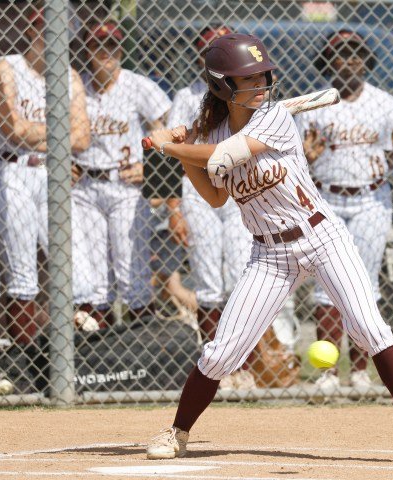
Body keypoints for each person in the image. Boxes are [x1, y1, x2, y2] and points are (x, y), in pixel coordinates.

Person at [143, 33, 393, 465]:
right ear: (222, 86)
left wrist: (171, 144)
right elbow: (215, 195)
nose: (260, 84)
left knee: (369, 328)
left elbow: (224, 157)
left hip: (321, 236)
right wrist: (185, 152)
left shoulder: (275, 118)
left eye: (263, 75)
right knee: (222, 351)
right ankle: (177, 432)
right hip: (269, 254)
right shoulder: (214, 131)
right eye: (248, 79)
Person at [296, 30, 393, 389]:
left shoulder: (384, 103)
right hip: (324, 199)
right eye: (341, 53)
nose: (350, 60)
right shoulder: (314, 102)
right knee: (325, 284)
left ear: (367, 60)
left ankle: (361, 370)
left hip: (371, 199)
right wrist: (308, 158)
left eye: (357, 53)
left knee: (365, 282)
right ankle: (328, 373)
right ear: (327, 61)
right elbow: (295, 160)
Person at [165, 25, 256, 390]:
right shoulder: (185, 96)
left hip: (237, 187)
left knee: (239, 274)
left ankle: (242, 364)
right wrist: (174, 207)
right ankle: (215, 367)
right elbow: (171, 153)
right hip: (197, 188)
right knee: (207, 281)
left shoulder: (244, 93)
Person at [0, 9, 91, 346]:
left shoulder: (70, 77)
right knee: (22, 272)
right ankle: (25, 356)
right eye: (47, 29)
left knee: (77, 267)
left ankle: (82, 354)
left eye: (64, 32)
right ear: (33, 29)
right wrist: (61, 130)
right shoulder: (6, 67)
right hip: (13, 170)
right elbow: (12, 128)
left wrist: (40, 133)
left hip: (54, 174)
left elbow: (83, 138)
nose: (57, 38)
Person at [71, 21, 172, 324]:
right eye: (98, 45)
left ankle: (144, 345)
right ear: (87, 50)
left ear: (120, 48)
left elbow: (166, 130)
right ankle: (98, 355)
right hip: (84, 187)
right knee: (94, 280)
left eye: (112, 45)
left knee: (133, 271)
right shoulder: (78, 87)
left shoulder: (137, 85)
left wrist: (152, 172)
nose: (106, 52)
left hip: (125, 187)